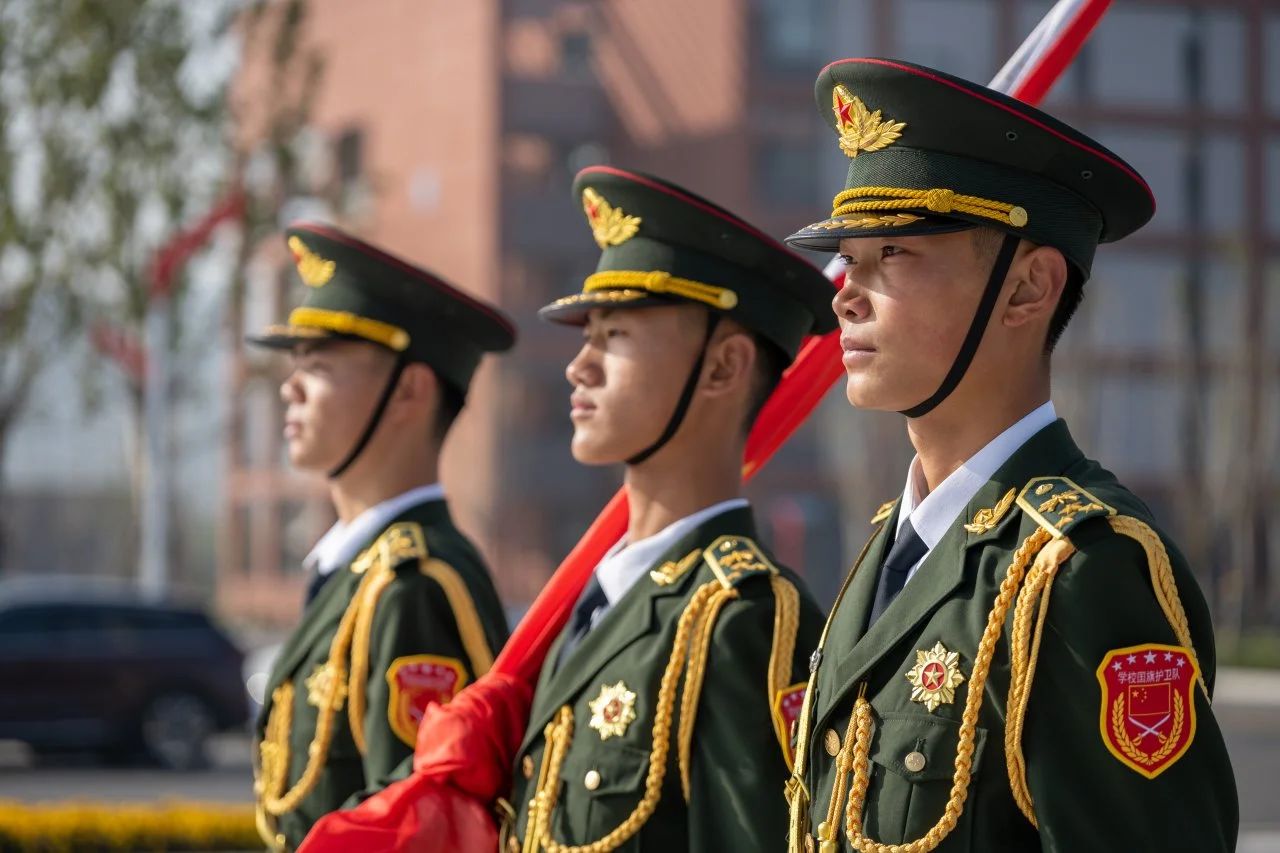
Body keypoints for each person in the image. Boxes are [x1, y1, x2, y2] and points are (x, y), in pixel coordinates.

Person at [780, 58, 1239, 852]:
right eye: (850, 259)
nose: (846, 293)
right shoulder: (889, 553)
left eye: (894, 254)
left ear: (1028, 289)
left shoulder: (1083, 569)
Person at [501, 166, 835, 852]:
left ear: (723, 367)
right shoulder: (592, 605)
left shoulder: (744, 619)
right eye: (587, 335)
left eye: (615, 336)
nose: (579, 366)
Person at [247, 223, 515, 852]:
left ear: (410, 390)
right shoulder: (359, 572)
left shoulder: (415, 586)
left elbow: (420, 829)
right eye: (295, 363)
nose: (290, 386)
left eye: (319, 365)